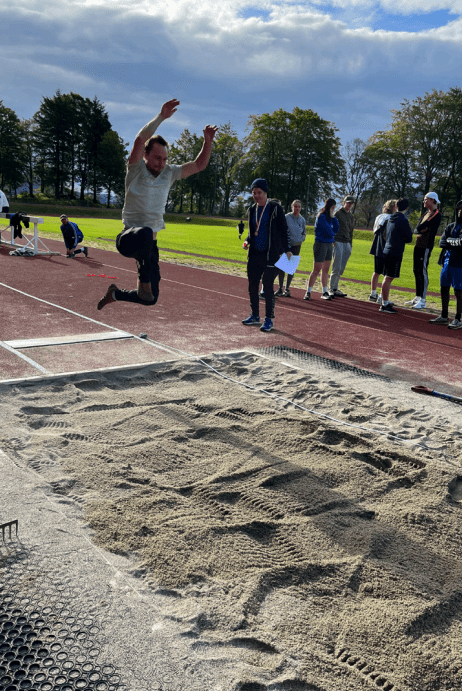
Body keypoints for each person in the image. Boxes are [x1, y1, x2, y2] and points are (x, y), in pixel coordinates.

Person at [97, 99, 218, 310]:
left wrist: (207, 141)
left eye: (164, 159)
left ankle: (115, 294)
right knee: (143, 233)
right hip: (129, 239)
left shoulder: (169, 173)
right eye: (156, 158)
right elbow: (139, 140)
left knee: (149, 298)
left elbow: (199, 165)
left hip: (150, 245)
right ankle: (143, 271)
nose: (160, 164)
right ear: (145, 154)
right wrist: (161, 117)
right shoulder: (135, 169)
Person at [241, 179, 291, 332]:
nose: (256, 195)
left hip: (272, 255)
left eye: (259, 192)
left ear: (265, 192)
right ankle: (255, 315)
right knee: (252, 286)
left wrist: (288, 248)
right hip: (255, 254)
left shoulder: (275, 208)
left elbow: (284, 230)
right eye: (254, 193)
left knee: (268, 286)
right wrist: (247, 240)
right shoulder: (251, 209)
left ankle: (268, 319)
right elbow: (252, 231)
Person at [405, 192, 442, 310]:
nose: (424, 202)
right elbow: (417, 229)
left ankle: (423, 300)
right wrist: (422, 229)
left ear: (433, 201)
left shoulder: (436, 214)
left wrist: (422, 229)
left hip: (426, 245)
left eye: (426, 200)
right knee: (416, 270)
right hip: (418, 244)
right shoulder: (425, 213)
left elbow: (422, 227)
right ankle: (418, 296)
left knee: (423, 271)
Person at [429, 200, 462, 329]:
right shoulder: (451, 226)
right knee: (444, 288)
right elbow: (441, 243)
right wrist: (455, 242)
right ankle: (444, 315)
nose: (460, 211)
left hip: (459, 263)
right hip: (446, 262)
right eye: (458, 208)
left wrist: (450, 241)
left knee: (459, 291)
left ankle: (458, 318)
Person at [379, 198, 413, 314]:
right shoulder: (403, 220)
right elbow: (409, 238)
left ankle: (384, 300)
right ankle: (384, 303)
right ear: (406, 208)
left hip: (387, 249)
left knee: (387, 276)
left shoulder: (391, 218)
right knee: (389, 277)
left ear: (396, 207)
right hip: (395, 251)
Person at [303, 199, 338, 301]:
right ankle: (308, 292)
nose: (334, 209)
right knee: (316, 269)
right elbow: (329, 231)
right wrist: (332, 232)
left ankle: (324, 291)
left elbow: (336, 229)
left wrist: (334, 219)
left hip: (329, 244)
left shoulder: (331, 217)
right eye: (333, 207)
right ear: (329, 206)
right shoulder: (321, 216)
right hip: (320, 244)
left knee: (326, 269)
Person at [273, 199, 306, 297]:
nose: (297, 208)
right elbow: (282, 230)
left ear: (301, 208)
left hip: (297, 246)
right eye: (295, 206)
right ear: (292, 207)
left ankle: (287, 289)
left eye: (299, 207)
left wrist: (301, 239)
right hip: (286, 245)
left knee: (291, 268)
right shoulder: (286, 217)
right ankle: (280, 288)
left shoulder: (302, 220)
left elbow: (304, 232)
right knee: (282, 267)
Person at [368, 199, 398, 303]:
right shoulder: (391, 218)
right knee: (386, 274)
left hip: (376, 246)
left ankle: (373, 293)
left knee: (376, 271)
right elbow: (387, 235)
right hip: (385, 247)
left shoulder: (379, 217)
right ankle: (382, 296)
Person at [329, 195, 355, 297]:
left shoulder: (351, 216)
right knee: (336, 266)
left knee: (341, 268)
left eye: (351, 203)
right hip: (338, 241)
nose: (349, 205)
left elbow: (351, 231)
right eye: (347, 203)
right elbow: (331, 227)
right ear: (343, 202)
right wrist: (333, 240)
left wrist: (350, 245)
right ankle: (332, 288)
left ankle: (336, 288)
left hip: (347, 243)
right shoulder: (338, 213)